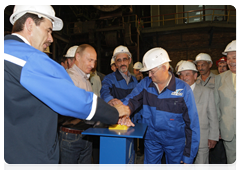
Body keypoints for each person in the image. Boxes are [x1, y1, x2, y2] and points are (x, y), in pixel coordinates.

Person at [4, 5, 130, 170]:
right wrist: (115, 112)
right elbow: (76, 100)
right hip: (30, 159)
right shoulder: (29, 59)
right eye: (48, 30)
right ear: (29, 24)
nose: (51, 38)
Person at [121, 47, 200, 170]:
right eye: (148, 72)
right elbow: (131, 100)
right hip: (151, 139)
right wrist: (123, 112)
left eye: (152, 71)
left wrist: (189, 155)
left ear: (164, 67)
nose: (149, 75)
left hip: (175, 142)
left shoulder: (183, 89)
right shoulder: (145, 84)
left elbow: (192, 124)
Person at [58, 44, 98, 170]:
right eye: (89, 60)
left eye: (94, 61)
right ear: (77, 57)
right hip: (70, 137)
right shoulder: (69, 78)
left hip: (85, 135)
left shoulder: (85, 78)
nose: (92, 65)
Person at [177, 61, 219, 170]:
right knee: (184, 167)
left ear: (195, 76)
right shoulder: (175, 94)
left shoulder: (207, 92)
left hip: (202, 138)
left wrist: (213, 137)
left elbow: (213, 116)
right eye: (181, 74)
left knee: (201, 166)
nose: (184, 77)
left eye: (187, 74)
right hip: (182, 139)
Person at [214, 40, 238, 170]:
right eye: (228, 58)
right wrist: (217, 128)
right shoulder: (220, 79)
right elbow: (216, 106)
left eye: (234, 57)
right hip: (228, 131)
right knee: (233, 164)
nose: (230, 61)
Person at [100, 45, 140, 123]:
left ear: (130, 60)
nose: (122, 63)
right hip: (117, 122)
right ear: (115, 63)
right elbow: (104, 91)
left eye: (125, 59)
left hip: (133, 121)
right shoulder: (109, 79)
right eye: (119, 60)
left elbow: (138, 99)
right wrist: (110, 100)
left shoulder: (134, 80)